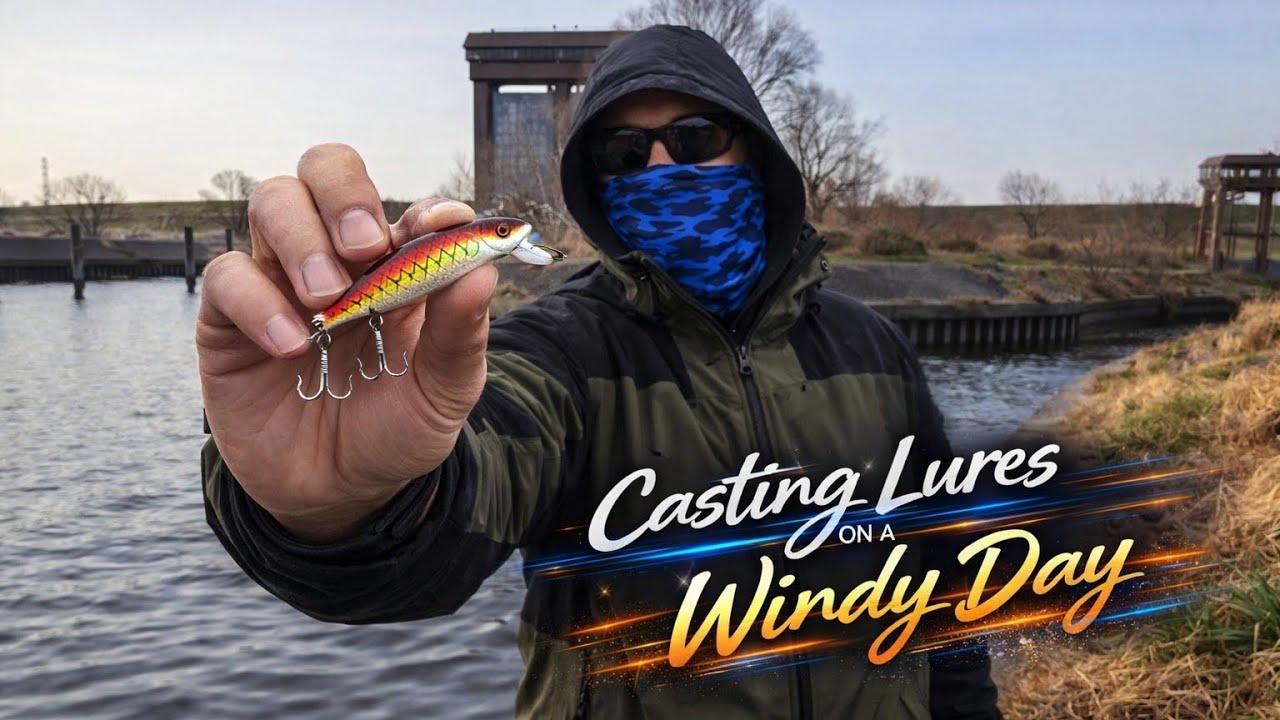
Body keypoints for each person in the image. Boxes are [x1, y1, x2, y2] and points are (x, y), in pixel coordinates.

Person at [200, 25, 1000, 719]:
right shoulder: (557, 352)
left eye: (691, 139)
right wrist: (350, 507)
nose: (660, 168)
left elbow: (947, 586)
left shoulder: (873, 346)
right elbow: (464, 499)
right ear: (598, 184)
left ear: (752, 148)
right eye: (624, 153)